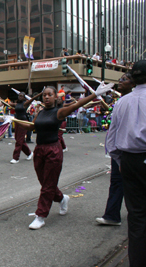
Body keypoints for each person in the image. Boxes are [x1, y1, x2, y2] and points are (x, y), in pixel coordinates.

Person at [15, 82, 113, 230]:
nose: (46, 97)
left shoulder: (59, 112)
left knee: (48, 185)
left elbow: (77, 104)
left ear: (55, 97)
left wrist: (96, 94)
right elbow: (31, 126)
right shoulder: (40, 112)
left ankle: (40, 216)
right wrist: (13, 121)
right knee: (45, 183)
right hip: (39, 150)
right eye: (44, 95)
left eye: (50, 95)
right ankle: (62, 198)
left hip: (53, 151)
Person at [106, 62, 146, 267]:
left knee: (137, 215)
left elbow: (111, 139)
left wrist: (119, 161)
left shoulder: (122, 103)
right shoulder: (122, 102)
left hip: (130, 161)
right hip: (133, 159)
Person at [96, 73, 135, 226]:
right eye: (120, 79)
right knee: (117, 182)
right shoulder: (119, 101)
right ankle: (112, 215)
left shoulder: (136, 100)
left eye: (124, 79)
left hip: (134, 150)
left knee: (135, 185)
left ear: (133, 83)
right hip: (119, 150)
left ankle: (137, 214)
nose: (120, 81)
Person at [9, 92, 41, 164]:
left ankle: (16, 158)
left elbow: (32, 99)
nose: (20, 97)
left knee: (19, 141)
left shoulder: (25, 103)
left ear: (24, 97)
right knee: (19, 140)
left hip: (23, 122)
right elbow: (9, 104)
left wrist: (41, 93)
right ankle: (29, 153)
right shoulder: (17, 104)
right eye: (19, 96)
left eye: (21, 96)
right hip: (17, 122)